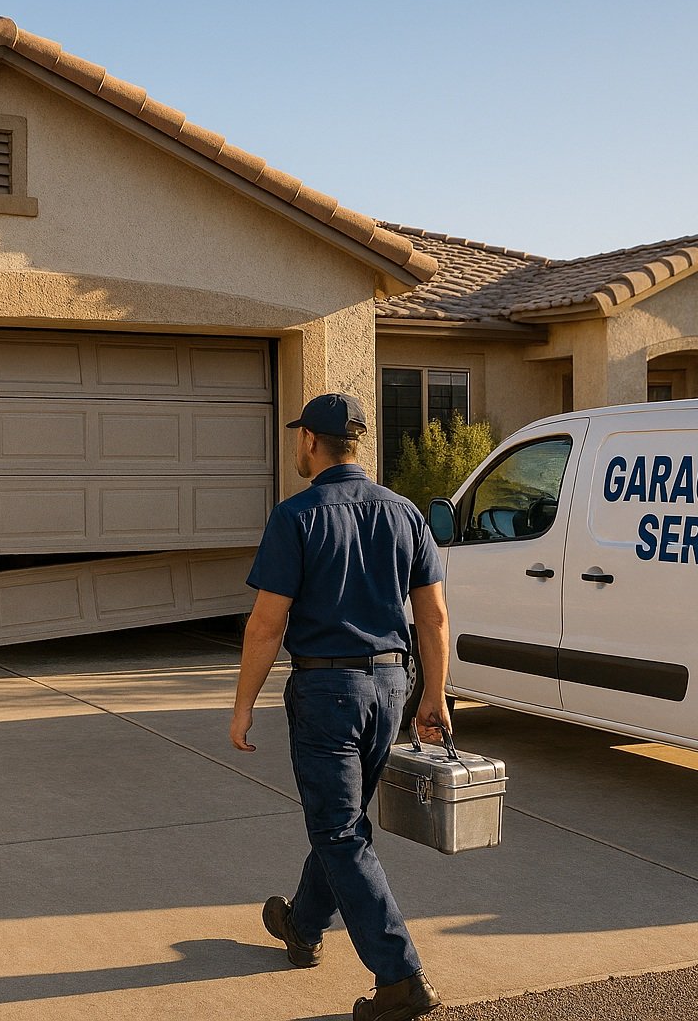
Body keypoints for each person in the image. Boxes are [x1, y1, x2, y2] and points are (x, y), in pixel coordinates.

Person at [229, 392, 451, 1021]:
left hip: (329, 694)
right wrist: (432, 696)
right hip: (390, 688)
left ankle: (400, 975)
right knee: (345, 823)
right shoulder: (405, 513)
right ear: (358, 443)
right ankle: (302, 925)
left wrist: (243, 704)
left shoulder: (296, 516)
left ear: (309, 443)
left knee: (338, 830)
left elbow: (265, 626)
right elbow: (433, 615)